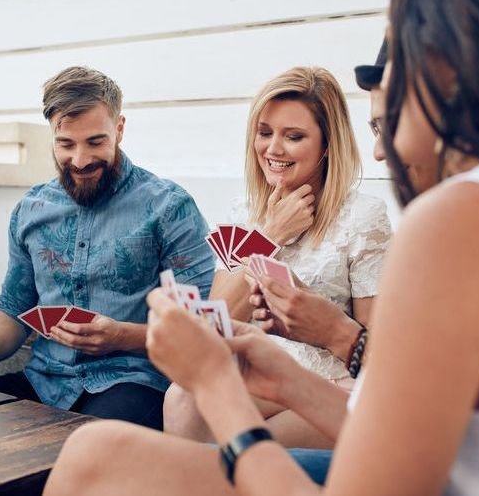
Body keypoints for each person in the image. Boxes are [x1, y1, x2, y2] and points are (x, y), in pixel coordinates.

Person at [44, 0, 479, 494]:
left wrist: (216, 385)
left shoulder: (471, 220)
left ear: (444, 71)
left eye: (396, 73)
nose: (385, 145)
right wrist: (287, 380)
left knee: (94, 460)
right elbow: (436, 434)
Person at [0, 66, 214, 429]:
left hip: (135, 383)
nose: (80, 160)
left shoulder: (170, 207)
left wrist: (121, 336)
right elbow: (14, 307)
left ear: (119, 129)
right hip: (44, 381)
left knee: (86, 451)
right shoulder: (31, 209)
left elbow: (202, 326)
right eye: (66, 144)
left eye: (95, 142)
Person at [164, 66, 391, 448]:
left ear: (327, 144)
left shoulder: (363, 217)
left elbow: (376, 348)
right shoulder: (245, 212)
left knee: (245, 448)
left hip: (330, 382)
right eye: (265, 133)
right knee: (182, 397)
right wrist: (269, 235)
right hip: (261, 370)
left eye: (294, 136)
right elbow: (217, 319)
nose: (273, 150)